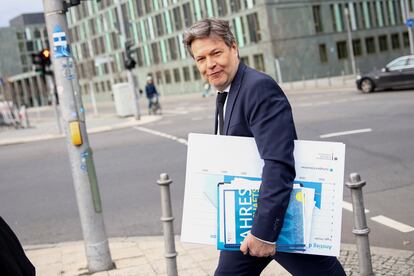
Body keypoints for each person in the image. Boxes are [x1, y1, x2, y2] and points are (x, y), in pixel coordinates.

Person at [183, 18, 346, 276]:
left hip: (275, 219)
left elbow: (278, 163)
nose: (209, 64)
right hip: (249, 216)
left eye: (216, 53)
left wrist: (263, 232)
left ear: (234, 48)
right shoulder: (227, 92)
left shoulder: (258, 88)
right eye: (200, 59)